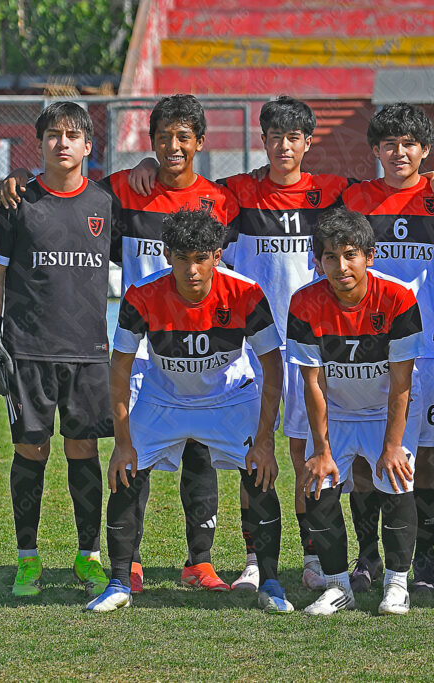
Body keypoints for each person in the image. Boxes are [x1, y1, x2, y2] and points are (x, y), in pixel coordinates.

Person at [128, 95, 434, 593]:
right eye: (275, 137)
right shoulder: (239, 192)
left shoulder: (336, 192)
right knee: (257, 454)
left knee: (345, 454)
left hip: (336, 343)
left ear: (308, 142)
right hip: (256, 344)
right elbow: (187, 186)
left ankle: (336, 557)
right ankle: (261, 558)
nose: (284, 147)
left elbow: (401, 183)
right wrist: (151, 165)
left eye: (294, 137)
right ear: (263, 141)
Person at [0, 94, 240, 593]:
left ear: (200, 142)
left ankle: (200, 561)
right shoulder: (124, 190)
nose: (173, 147)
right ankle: (128, 562)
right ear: (151, 142)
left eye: (183, 137)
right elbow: (62, 190)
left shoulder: (219, 200)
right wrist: (18, 176)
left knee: (198, 451)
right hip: (141, 350)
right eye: (163, 138)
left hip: (200, 349)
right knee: (134, 454)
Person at [86, 209, 287, 613]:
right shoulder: (142, 294)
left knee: (260, 474)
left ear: (217, 256)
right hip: (165, 398)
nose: (191, 270)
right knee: (126, 472)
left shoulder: (246, 293)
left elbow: (272, 365)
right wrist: (122, 444)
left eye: (200, 259)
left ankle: (270, 583)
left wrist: (264, 442)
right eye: (181, 258)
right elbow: (120, 366)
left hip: (228, 399)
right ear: (167, 256)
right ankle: (119, 582)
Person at [0, 101, 116, 598]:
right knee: (31, 449)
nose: (63, 143)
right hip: (28, 351)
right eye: (53, 134)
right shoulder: (17, 201)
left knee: (84, 449)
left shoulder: (105, 203)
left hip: (88, 352)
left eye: (72, 135)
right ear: (39, 143)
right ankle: (28, 559)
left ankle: (88, 557)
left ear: (88, 146)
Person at [340, 103, 434, 594]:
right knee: (364, 457)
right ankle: (368, 556)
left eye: (410, 144)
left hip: (425, 348)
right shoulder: (355, 199)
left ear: (425, 150)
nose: (399, 152)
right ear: (375, 149)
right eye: (389, 144)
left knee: (423, 456)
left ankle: (422, 559)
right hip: (365, 347)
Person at [287, 207, 424, 616]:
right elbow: (313, 383)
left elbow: (401, 382)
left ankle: (397, 584)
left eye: (350, 255)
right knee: (318, 483)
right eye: (331, 257)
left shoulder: (399, 297)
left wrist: (393, 445)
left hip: (387, 408)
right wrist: (321, 451)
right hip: (337, 411)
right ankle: (337, 586)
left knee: (396, 481)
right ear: (318, 262)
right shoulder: (304, 302)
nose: (341, 266)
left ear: (369, 256)